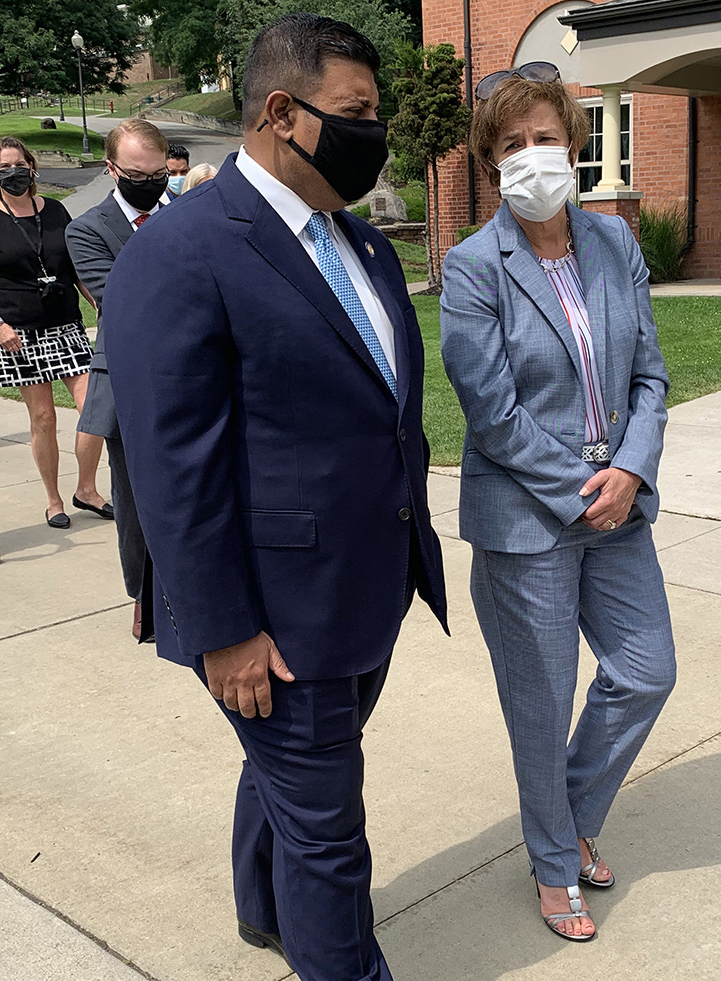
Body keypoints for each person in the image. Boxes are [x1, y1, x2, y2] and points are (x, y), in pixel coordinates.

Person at [102, 14, 448, 981]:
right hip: (269, 625)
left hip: (361, 595)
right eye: (358, 111)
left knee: (292, 790)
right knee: (330, 835)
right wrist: (225, 631)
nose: (375, 130)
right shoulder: (180, 253)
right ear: (282, 112)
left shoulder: (365, 247)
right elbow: (171, 466)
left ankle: (263, 909)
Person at [440, 69, 676, 942]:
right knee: (541, 703)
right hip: (529, 519)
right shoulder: (472, 268)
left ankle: (565, 814)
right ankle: (553, 861)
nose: (533, 156)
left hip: (620, 506)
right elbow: (489, 408)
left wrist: (633, 473)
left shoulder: (615, 244)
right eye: (512, 145)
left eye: (546, 138)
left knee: (647, 670)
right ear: (491, 163)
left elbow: (650, 375)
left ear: (574, 146)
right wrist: (584, 493)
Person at [66, 118, 171, 639]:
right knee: (134, 498)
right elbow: (120, 301)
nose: (149, 182)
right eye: (135, 173)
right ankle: (144, 596)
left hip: (202, 375)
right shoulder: (87, 229)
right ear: (111, 169)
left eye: (157, 173)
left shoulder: (194, 212)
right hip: (129, 380)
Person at [0, 136, 110, 528]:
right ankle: (53, 499)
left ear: (30, 166)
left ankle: (87, 489)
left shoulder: (56, 210)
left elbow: (74, 264)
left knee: (92, 408)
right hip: (19, 332)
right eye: (4, 167)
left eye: (18, 164)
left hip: (65, 324)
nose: (13, 172)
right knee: (44, 416)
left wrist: (95, 296)